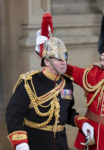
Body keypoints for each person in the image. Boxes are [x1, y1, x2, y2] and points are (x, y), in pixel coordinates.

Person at [35, 3, 104, 150]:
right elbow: (66, 69)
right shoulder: (92, 74)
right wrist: (47, 54)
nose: (103, 52)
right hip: (89, 141)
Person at [5, 13, 81, 150]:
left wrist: (82, 122)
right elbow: (13, 114)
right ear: (46, 61)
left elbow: (66, 112)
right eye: (59, 59)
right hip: (35, 144)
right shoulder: (30, 83)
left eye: (65, 59)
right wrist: (20, 142)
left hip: (61, 145)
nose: (64, 63)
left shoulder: (67, 83)